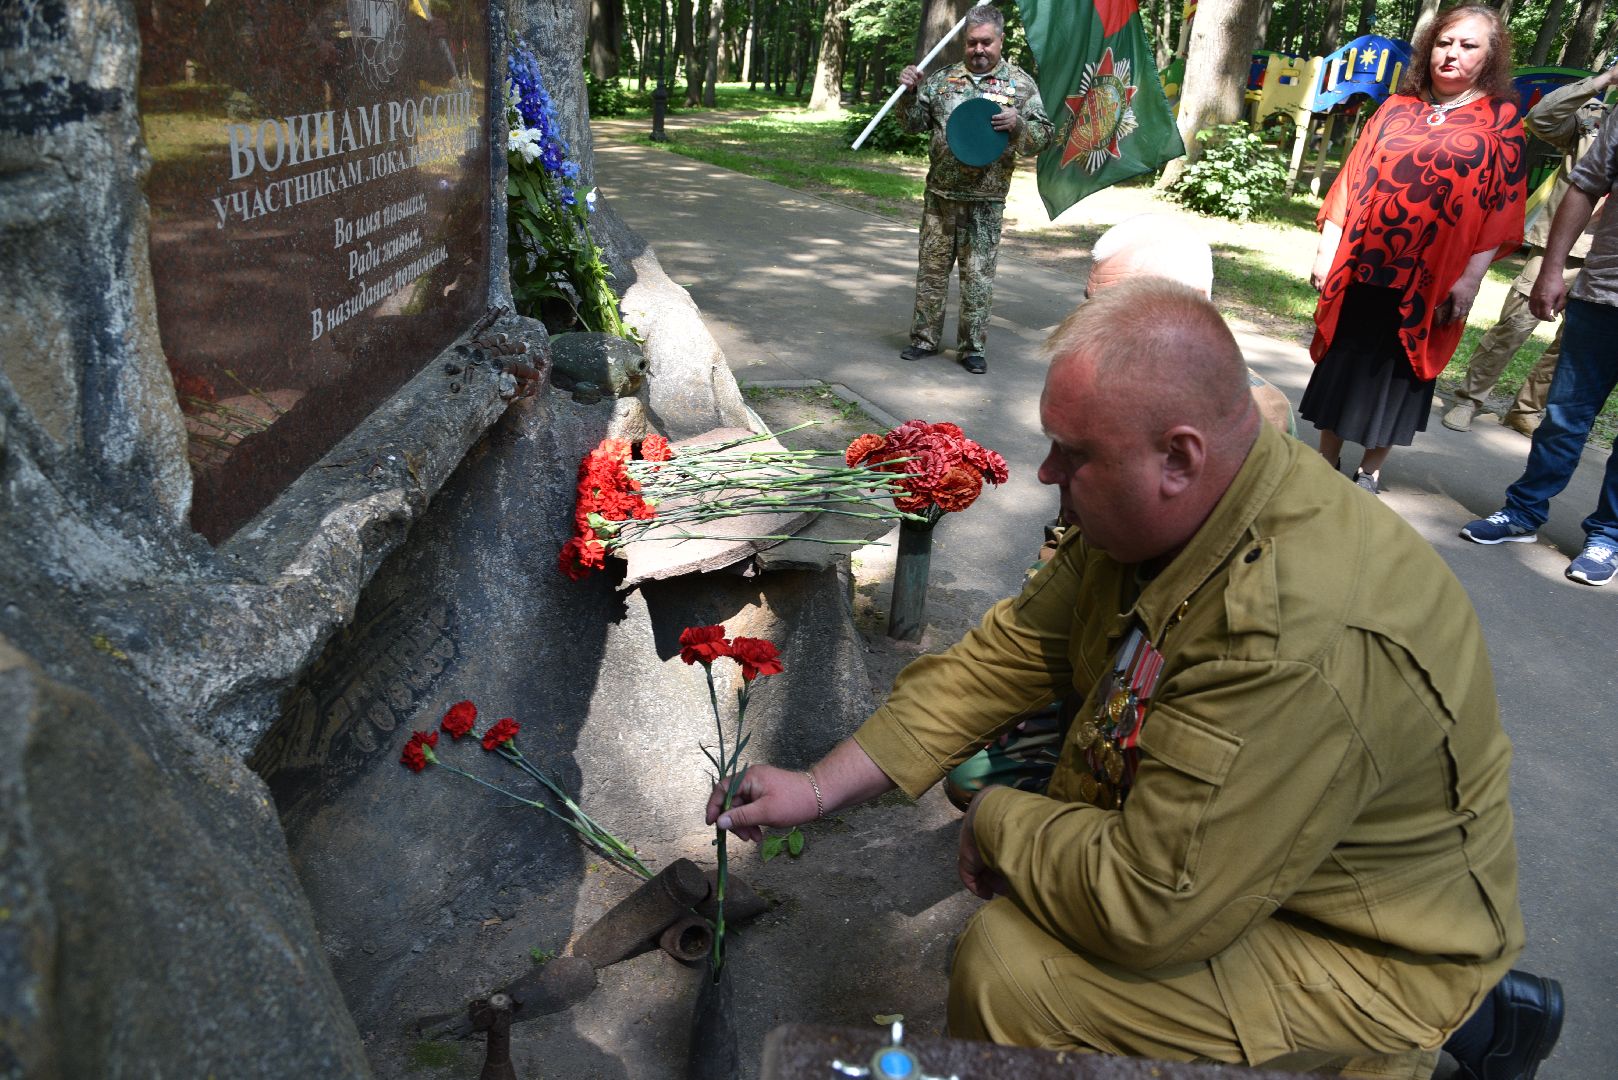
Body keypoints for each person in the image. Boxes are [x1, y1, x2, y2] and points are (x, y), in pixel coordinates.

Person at [710, 280, 1562, 1079]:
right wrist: (816, 788)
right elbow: (1007, 655)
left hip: (1364, 948)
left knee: (1015, 974)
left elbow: (1154, 903)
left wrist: (1000, 822)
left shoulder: (1293, 631)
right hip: (1273, 867)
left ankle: (1419, 1039)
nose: (1046, 474)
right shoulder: (1186, 508)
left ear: (1179, 458)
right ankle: (1486, 1026)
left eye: (1072, 454)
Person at [1303, 4, 1526, 495]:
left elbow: (1502, 208)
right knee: (1346, 359)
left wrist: (1470, 279)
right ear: (1429, 48)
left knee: (1400, 369)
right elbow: (1350, 179)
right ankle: (1325, 459)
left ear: (1490, 56)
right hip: (1363, 263)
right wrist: (1327, 249)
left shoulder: (1502, 120)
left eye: (1468, 45)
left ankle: (1370, 470)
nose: (1452, 54)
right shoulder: (1395, 107)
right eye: (1445, 42)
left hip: (1432, 276)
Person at [1460, 87, 1618, 587]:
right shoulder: (1612, 114)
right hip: (1603, 291)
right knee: (1564, 417)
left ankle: (1608, 536)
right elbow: (1584, 184)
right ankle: (1523, 512)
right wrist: (1552, 267)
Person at [1443, 67, 1618, 436]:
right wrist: (1602, 80)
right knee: (1514, 325)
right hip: (1559, 246)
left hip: (1607, 260)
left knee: (1570, 344)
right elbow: (1541, 118)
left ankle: (1526, 409)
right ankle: (1469, 399)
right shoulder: (1593, 120)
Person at [896, 4, 1053, 376]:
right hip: (940, 199)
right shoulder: (942, 80)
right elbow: (912, 125)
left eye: (986, 42)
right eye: (972, 43)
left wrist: (1018, 125)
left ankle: (972, 349)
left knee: (978, 279)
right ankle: (923, 339)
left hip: (986, 202)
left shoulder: (1020, 85)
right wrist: (908, 93)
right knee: (931, 274)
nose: (978, 49)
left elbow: (1043, 137)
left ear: (1001, 40)